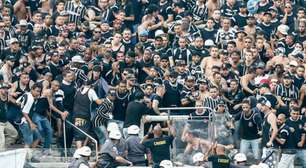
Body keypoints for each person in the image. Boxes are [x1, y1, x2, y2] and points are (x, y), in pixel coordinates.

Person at [73, 80, 103, 148]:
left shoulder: (78, 90)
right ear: (91, 85)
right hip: (85, 115)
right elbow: (98, 102)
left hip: (76, 115)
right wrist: (104, 100)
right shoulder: (91, 91)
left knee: (78, 136)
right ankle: (82, 150)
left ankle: (80, 150)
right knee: (86, 133)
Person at [17, 83, 42, 148]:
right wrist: (31, 123)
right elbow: (24, 112)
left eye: (39, 91)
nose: (38, 93)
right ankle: (26, 157)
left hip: (26, 120)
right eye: (37, 91)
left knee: (37, 137)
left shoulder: (27, 93)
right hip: (25, 122)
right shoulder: (30, 99)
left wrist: (22, 105)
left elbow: (17, 102)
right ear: (32, 90)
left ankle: (30, 156)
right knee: (29, 142)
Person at [0, 83, 18, 150]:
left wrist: (21, 102)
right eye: (3, 88)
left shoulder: (8, 96)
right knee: (1, 140)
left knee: (14, 134)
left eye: (6, 88)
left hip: (5, 121)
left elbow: (15, 102)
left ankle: (2, 148)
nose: (5, 90)